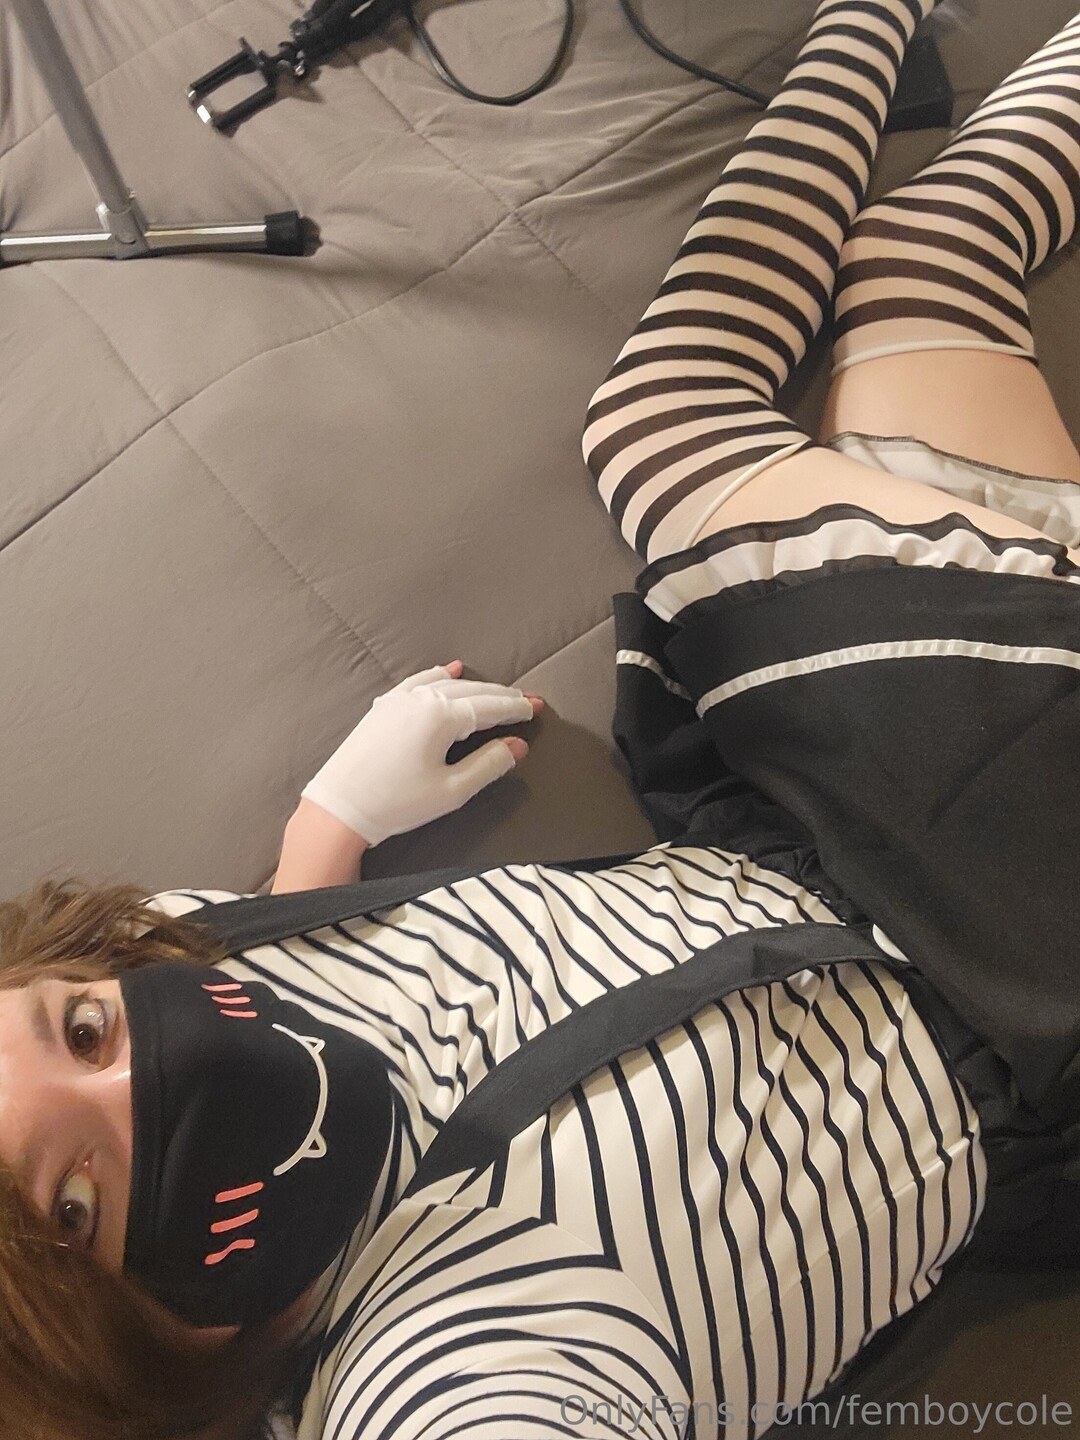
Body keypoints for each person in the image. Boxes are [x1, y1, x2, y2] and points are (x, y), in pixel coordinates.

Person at [1, 2, 1078, 1438]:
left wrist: (328, 830)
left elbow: (201, 963)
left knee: (920, 258)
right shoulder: (443, 1377)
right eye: (73, 1205)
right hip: (1010, 961)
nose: (146, 1068)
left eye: (81, 1028)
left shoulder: (185, 961)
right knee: (662, 424)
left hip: (818, 820)